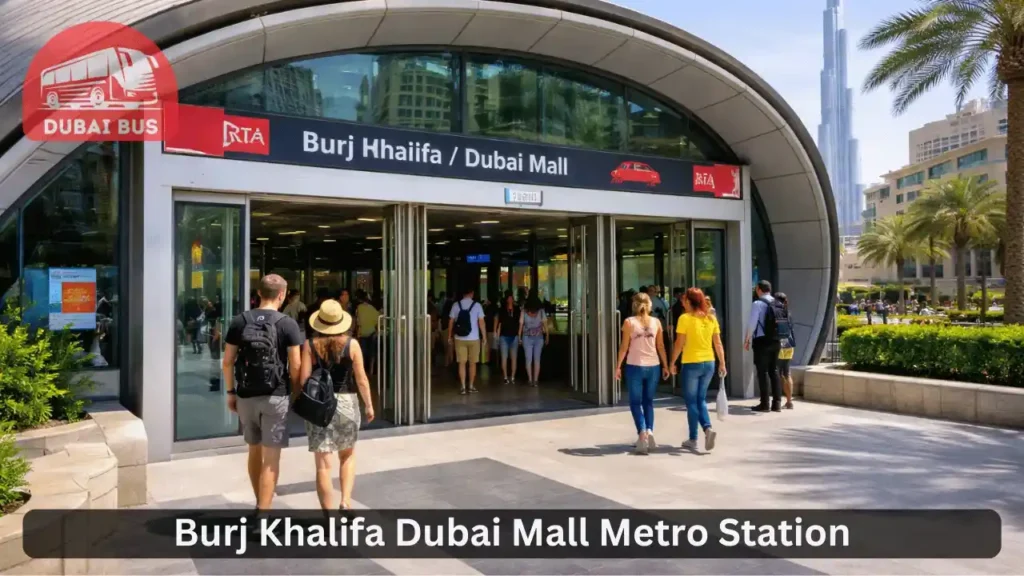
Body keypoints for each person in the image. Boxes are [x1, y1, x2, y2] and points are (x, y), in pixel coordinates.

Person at [221, 274, 304, 511]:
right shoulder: (287, 323)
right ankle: (264, 514)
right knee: (272, 458)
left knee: (253, 450)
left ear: (258, 293)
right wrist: (295, 392)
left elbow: (227, 362)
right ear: (282, 295)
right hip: (276, 395)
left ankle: (260, 502)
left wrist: (231, 392)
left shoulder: (240, 321)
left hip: (246, 395)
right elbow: (295, 364)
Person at [300, 299, 375, 512]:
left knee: (323, 465)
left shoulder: (310, 345)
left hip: (320, 404)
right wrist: (369, 405)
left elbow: (304, 379)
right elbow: (361, 379)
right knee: (347, 455)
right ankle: (345, 502)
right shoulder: (352, 345)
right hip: (347, 402)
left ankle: (329, 516)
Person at [670, 288, 727, 451]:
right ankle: (705, 430)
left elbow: (679, 343)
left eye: (684, 300)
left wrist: (672, 362)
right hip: (709, 363)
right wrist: (722, 363)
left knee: (691, 402)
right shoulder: (710, 318)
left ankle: (696, 436)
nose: (682, 302)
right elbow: (718, 343)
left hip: (691, 363)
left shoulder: (685, 318)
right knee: (700, 399)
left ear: (689, 301)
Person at [615, 292, 670, 455]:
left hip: (635, 365)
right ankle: (650, 431)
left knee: (635, 402)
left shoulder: (629, 322)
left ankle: (642, 432)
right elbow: (661, 346)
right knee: (648, 402)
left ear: (634, 305)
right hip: (654, 366)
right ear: (650, 305)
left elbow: (624, 347)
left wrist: (618, 366)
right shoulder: (656, 322)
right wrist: (665, 365)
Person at [745, 280, 784, 412]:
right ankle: (777, 403)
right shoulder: (778, 302)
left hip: (762, 341)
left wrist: (747, 339)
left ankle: (764, 404)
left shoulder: (758, 304)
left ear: (758, 289)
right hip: (776, 340)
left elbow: (752, 323)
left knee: (762, 372)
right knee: (774, 371)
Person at [448, 287, 486, 394]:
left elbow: (451, 321)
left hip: (459, 338)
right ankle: (471, 386)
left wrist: (449, 336)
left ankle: (463, 387)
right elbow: (481, 322)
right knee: (473, 363)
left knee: (462, 363)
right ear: (472, 293)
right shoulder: (477, 305)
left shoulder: (456, 305)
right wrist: (484, 337)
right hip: (474, 338)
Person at [519, 296, 549, 387]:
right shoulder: (526, 311)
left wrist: (547, 336)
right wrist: (547, 336)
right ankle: (532, 380)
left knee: (534, 359)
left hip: (534, 337)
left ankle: (533, 380)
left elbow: (521, 325)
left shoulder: (539, 311)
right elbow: (521, 325)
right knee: (532, 359)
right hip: (531, 337)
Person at [775, 292, 797, 409]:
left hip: (779, 345)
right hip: (789, 345)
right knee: (787, 373)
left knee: (777, 374)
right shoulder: (788, 313)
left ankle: (777, 400)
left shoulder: (775, 312)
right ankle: (789, 401)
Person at [494, 292, 521, 384]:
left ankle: (512, 377)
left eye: (511, 298)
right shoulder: (502, 310)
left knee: (514, 358)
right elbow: (498, 322)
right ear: (506, 299)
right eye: (509, 298)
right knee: (504, 357)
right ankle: (505, 376)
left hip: (514, 335)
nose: (510, 300)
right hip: (504, 336)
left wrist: (519, 335)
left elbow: (520, 323)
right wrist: (496, 334)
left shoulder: (517, 309)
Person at [354, 290, 380, 376]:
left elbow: (358, 322)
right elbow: (378, 321)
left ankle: (362, 370)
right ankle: (371, 370)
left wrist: (357, 334)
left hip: (362, 333)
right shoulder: (373, 309)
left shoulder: (358, 308)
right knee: (372, 353)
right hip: (372, 333)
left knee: (362, 353)